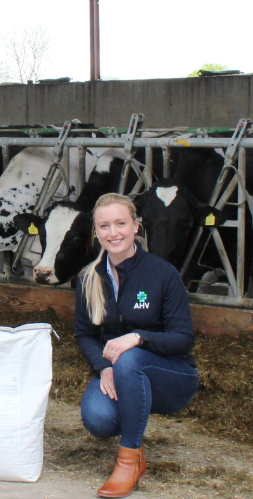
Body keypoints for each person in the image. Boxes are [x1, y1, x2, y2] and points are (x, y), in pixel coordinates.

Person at [74, 193, 199, 498]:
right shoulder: (88, 278)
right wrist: (103, 368)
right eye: (104, 226)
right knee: (98, 419)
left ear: (136, 226)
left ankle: (129, 460)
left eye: (121, 223)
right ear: (96, 232)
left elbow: (183, 338)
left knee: (129, 358)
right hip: (118, 371)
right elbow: (84, 334)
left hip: (172, 376)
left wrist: (139, 337)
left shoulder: (163, 273)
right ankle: (132, 420)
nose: (113, 233)